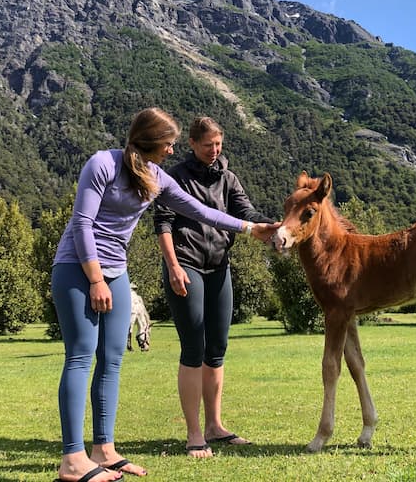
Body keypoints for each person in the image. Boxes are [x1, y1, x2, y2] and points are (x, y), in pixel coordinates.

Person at [50, 108, 278, 482]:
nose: (172, 152)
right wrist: (95, 279)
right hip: (78, 269)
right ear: (151, 141)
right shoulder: (103, 164)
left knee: (111, 360)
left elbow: (200, 210)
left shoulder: (155, 177)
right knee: (80, 357)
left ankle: (103, 449)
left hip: (116, 271)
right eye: (168, 144)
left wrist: (250, 228)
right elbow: (82, 223)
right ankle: (72, 460)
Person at [154, 116, 276, 458]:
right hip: (186, 266)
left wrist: (270, 227)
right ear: (192, 144)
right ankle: (194, 434)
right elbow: (163, 224)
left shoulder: (228, 178)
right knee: (194, 348)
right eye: (207, 145)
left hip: (219, 268)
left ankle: (215, 426)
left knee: (217, 348)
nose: (214, 150)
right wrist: (173, 266)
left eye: (218, 144)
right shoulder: (174, 177)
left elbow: (245, 212)